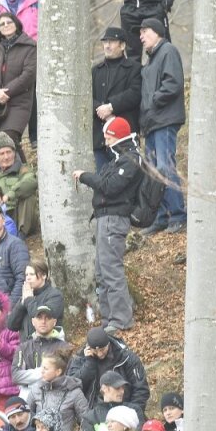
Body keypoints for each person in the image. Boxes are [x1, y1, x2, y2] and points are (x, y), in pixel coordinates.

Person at [74, 117, 143, 333]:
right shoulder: (116, 159)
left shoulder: (130, 159)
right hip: (105, 219)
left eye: (109, 136)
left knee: (111, 270)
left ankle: (121, 319)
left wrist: (85, 177)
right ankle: (109, 319)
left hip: (115, 219)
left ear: (119, 135)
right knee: (102, 272)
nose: (105, 141)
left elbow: (110, 187)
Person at [137, 19, 187, 235]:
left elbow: (173, 84)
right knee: (153, 171)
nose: (141, 36)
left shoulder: (168, 51)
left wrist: (154, 100)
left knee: (165, 167)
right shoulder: (150, 61)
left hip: (165, 119)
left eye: (145, 31)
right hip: (151, 122)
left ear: (157, 32)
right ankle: (161, 217)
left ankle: (177, 215)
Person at [68, 328, 150, 421]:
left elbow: (141, 389)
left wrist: (132, 413)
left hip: (126, 408)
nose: (99, 354)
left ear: (108, 344)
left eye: (102, 350)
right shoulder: (80, 359)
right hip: (96, 413)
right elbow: (73, 386)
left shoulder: (126, 358)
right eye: (95, 351)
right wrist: (89, 364)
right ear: (88, 348)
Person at [0, 12, 37, 144]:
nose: (6, 25)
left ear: (16, 24)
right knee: (0, 146)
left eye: (9, 22)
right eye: (2, 24)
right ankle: (21, 165)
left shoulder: (29, 46)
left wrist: (6, 92)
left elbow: (28, 75)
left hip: (19, 103)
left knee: (8, 138)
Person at [91, 26, 142, 170]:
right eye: (105, 41)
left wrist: (111, 107)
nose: (107, 45)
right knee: (103, 181)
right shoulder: (95, 71)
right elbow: (87, 98)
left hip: (124, 137)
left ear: (122, 45)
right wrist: (100, 110)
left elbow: (135, 93)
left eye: (112, 41)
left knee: (125, 181)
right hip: (100, 137)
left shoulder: (135, 68)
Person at [23, 354, 86, 431]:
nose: (42, 371)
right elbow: (25, 417)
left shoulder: (74, 393)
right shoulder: (36, 388)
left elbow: (88, 425)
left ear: (58, 371)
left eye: (46, 368)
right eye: (42, 367)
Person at [6, 259, 63, 342]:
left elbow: (40, 317)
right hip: (27, 349)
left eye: (32, 274)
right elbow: (11, 325)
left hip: (48, 348)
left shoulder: (55, 296)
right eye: (26, 275)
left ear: (44, 276)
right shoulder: (27, 296)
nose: (28, 278)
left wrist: (28, 300)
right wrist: (22, 304)